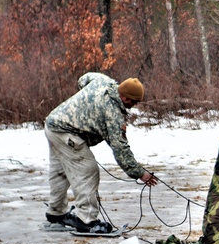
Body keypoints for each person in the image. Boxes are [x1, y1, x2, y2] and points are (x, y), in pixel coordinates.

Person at [44, 73, 159, 234]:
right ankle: (87, 220)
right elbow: (120, 148)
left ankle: (56, 213)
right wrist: (140, 173)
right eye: (132, 101)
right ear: (124, 96)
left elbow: (84, 78)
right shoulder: (113, 113)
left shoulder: (103, 81)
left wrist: (86, 100)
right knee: (87, 170)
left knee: (60, 172)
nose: (133, 105)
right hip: (66, 133)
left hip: (52, 124)